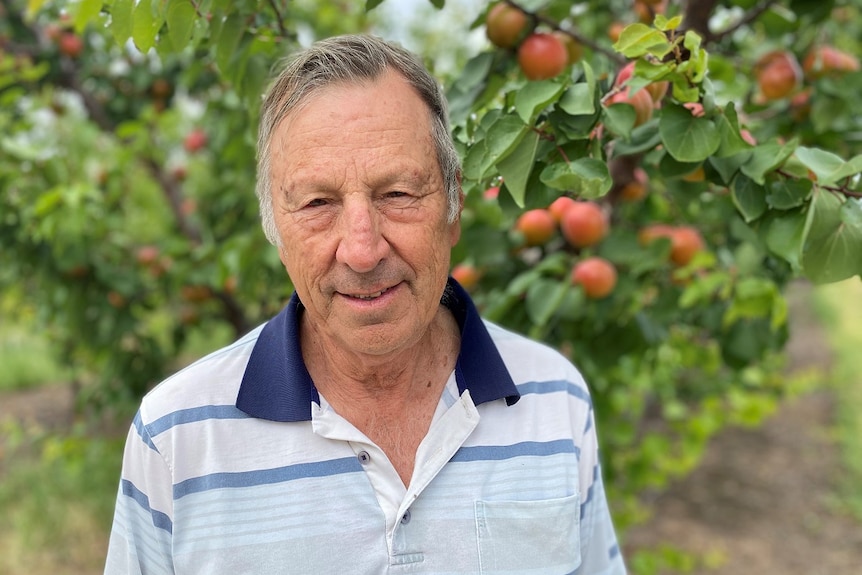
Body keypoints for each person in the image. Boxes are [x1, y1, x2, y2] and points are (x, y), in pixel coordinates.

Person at [104, 34, 626, 575]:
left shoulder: (555, 401)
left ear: (453, 207)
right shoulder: (176, 438)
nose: (362, 249)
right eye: (317, 203)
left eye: (398, 194)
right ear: (275, 232)